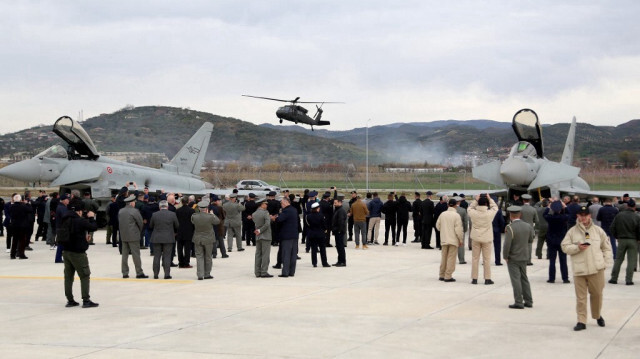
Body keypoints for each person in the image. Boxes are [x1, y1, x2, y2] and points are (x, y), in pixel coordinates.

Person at [562, 205, 613, 331]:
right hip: (580, 270)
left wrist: (604, 263)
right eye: (580, 216)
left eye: (585, 216)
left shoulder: (598, 231)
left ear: (590, 216)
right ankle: (581, 320)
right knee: (581, 297)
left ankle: (597, 315)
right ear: (577, 216)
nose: (583, 218)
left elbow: (607, 248)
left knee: (597, 294)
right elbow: (564, 247)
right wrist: (577, 248)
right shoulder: (572, 232)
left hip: (596, 269)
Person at [62, 199, 99, 308]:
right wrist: (92, 217)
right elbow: (94, 227)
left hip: (66, 252)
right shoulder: (79, 220)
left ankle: (70, 300)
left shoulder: (65, 219)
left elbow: (73, 234)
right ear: (78, 211)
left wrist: (83, 238)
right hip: (78, 253)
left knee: (68, 277)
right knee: (84, 275)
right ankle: (86, 300)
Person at [503, 206, 534, 309]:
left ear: (511, 216)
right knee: (524, 278)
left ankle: (518, 301)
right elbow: (530, 240)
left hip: (514, 257)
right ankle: (529, 300)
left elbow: (507, 244)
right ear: (520, 215)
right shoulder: (528, 226)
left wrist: (505, 256)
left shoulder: (510, 227)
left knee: (516, 279)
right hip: (524, 256)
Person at [468, 195, 498, 285]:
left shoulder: (473, 213)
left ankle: (474, 278)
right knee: (487, 259)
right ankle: (487, 278)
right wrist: (490, 199)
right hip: (487, 238)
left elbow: (469, 208)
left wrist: (475, 200)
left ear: (478, 203)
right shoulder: (489, 213)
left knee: (475, 259)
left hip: (476, 238)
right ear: (486, 204)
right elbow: (495, 207)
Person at [608, 200, 640, 285]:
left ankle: (614, 278)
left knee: (618, 259)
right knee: (631, 261)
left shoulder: (619, 215)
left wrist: (616, 236)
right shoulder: (637, 216)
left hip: (621, 240)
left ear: (627, 206)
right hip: (633, 240)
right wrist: (638, 239)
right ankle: (628, 280)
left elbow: (612, 227)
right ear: (634, 207)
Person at [118, 195, 148, 279]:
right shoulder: (135, 211)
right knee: (136, 255)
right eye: (134, 202)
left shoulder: (121, 211)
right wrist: (138, 231)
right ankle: (139, 272)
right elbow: (140, 223)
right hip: (133, 236)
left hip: (123, 236)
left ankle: (124, 272)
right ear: (131, 203)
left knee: (124, 255)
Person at [149, 200, 179, 279]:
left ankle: (156, 274)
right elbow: (177, 225)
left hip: (156, 238)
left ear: (159, 207)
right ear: (167, 206)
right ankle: (167, 274)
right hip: (168, 238)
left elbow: (151, 225)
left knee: (156, 256)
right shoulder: (172, 214)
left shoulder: (154, 214)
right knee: (167, 256)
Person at [191, 200, 220, 280]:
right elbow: (217, 222)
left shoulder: (194, 216)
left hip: (198, 238)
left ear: (199, 208)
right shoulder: (210, 217)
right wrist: (212, 214)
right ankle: (207, 274)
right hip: (208, 239)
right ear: (207, 208)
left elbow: (192, 222)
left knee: (199, 256)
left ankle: (200, 274)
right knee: (208, 257)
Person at [436, 198, 463, 282]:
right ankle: (448, 276)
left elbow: (438, 226)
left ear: (448, 205)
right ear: (456, 205)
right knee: (451, 258)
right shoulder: (456, 215)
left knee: (444, 257)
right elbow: (458, 230)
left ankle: (441, 274)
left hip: (444, 239)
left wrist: (443, 231)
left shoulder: (442, 214)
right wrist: (460, 240)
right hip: (453, 240)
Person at [544, 200, 570, 283]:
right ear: (560, 209)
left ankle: (551, 278)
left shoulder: (550, 218)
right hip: (561, 241)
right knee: (563, 261)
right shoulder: (563, 217)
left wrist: (549, 206)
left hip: (551, 241)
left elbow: (544, 214)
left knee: (552, 261)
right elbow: (570, 214)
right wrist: (565, 206)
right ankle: (565, 278)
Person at [276, 197, 299, 277]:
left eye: (282, 203)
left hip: (286, 236)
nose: (281, 205)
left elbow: (279, 220)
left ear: (286, 203)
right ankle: (291, 272)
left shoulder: (286, 211)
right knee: (293, 255)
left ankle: (285, 272)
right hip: (294, 235)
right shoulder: (294, 210)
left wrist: (275, 217)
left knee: (286, 254)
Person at [253, 199, 274, 277]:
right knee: (265, 255)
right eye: (265, 204)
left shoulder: (254, 213)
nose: (266, 205)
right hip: (265, 236)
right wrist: (260, 230)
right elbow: (267, 224)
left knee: (258, 254)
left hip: (258, 236)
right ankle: (264, 272)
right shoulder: (265, 213)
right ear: (261, 204)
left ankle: (257, 272)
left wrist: (258, 230)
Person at [306, 202, 330, 268]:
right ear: (317, 209)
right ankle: (324, 263)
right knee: (322, 249)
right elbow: (324, 225)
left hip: (312, 234)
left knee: (313, 249)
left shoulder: (308, 216)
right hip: (320, 234)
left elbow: (308, 225)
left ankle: (314, 263)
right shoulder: (321, 216)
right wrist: (324, 230)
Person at [9, 194, 30, 259]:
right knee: (22, 241)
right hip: (22, 225)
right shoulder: (23, 206)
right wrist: (27, 204)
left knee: (14, 240)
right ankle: (21, 254)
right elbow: (30, 210)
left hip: (14, 225)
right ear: (21, 200)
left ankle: (12, 254)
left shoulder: (12, 206)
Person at [175, 197, 195, 268]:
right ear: (188, 202)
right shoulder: (192, 211)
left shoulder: (177, 211)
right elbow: (193, 222)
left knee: (179, 248)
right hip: (188, 231)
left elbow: (176, 221)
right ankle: (186, 262)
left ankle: (180, 262)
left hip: (179, 231)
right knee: (187, 248)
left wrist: (175, 231)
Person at [519, 194, 539, 265]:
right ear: (529, 200)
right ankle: (528, 261)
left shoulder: (520, 208)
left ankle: (521, 260)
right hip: (530, 229)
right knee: (529, 245)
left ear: (523, 200)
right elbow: (537, 220)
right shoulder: (533, 209)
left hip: (521, 228)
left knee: (520, 244)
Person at [332, 197, 348, 267]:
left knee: (340, 247)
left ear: (340, 203)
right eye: (334, 203)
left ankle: (342, 261)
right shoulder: (337, 210)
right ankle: (339, 260)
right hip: (337, 231)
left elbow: (341, 222)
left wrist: (339, 230)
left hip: (339, 231)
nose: (334, 204)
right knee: (338, 246)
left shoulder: (341, 211)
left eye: (335, 203)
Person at [454, 197, 469, 264]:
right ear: (459, 202)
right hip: (460, 229)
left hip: (452, 229)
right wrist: (465, 229)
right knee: (461, 245)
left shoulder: (449, 210)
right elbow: (465, 221)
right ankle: (461, 259)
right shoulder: (463, 210)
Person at [492, 200, 506, 266]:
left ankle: (485, 261)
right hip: (496, 230)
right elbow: (502, 221)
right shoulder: (498, 211)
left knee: (486, 247)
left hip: (488, 231)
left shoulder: (487, 210)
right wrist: (501, 230)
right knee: (497, 247)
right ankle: (497, 261)